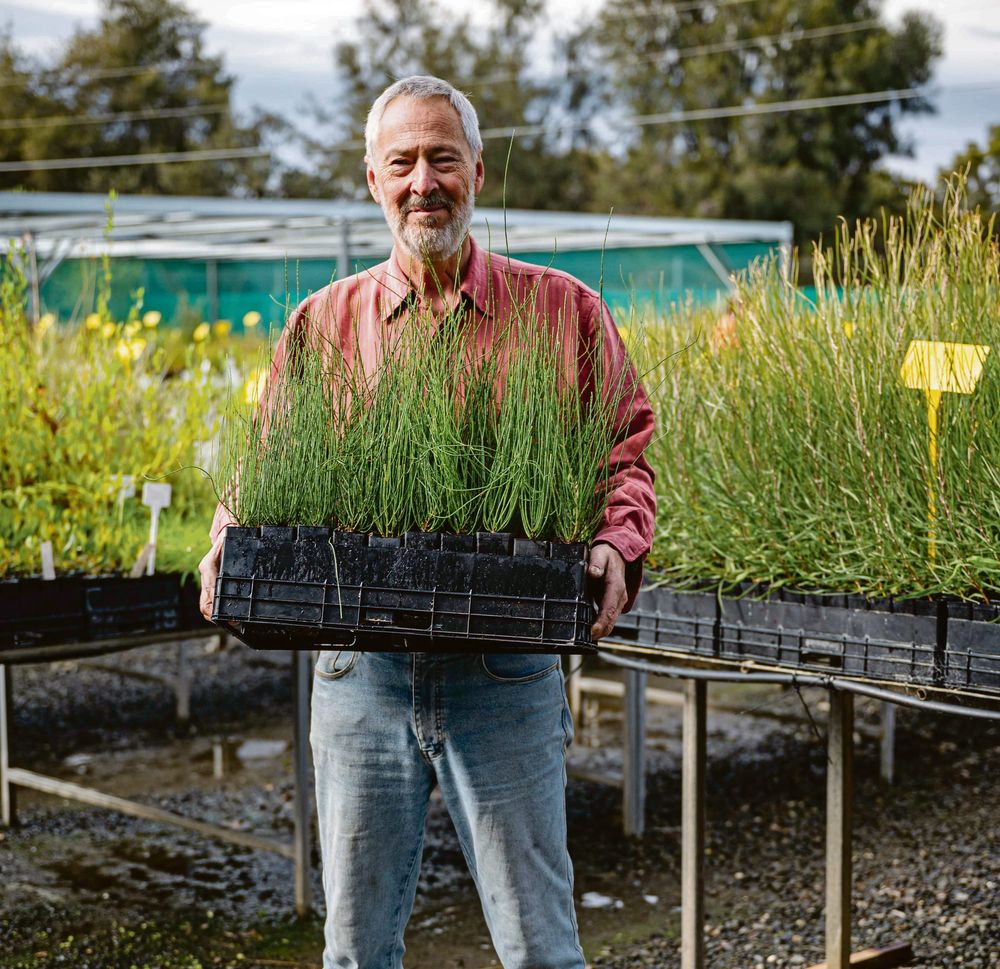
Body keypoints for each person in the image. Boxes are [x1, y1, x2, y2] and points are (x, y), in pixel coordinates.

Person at [199, 75, 655, 969]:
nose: (424, 181)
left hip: (507, 661)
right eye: (402, 162)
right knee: (357, 948)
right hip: (358, 668)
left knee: (540, 947)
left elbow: (625, 448)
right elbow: (265, 463)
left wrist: (613, 537)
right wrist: (228, 535)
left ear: (477, 171)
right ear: (373, 179)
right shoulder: (323, 322)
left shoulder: (561, 311)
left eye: (442, 158)